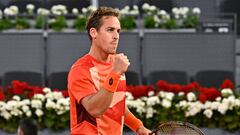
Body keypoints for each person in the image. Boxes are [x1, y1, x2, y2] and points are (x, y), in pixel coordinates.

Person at [68, 7, 151, 135]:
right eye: (110, 30)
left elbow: (115, 105)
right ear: (93, 33)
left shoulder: (116, 64)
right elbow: (95, 109)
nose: (116, 36)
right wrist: (115, 73)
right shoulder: (80, 69)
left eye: (118, 31)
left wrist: (138, 127)